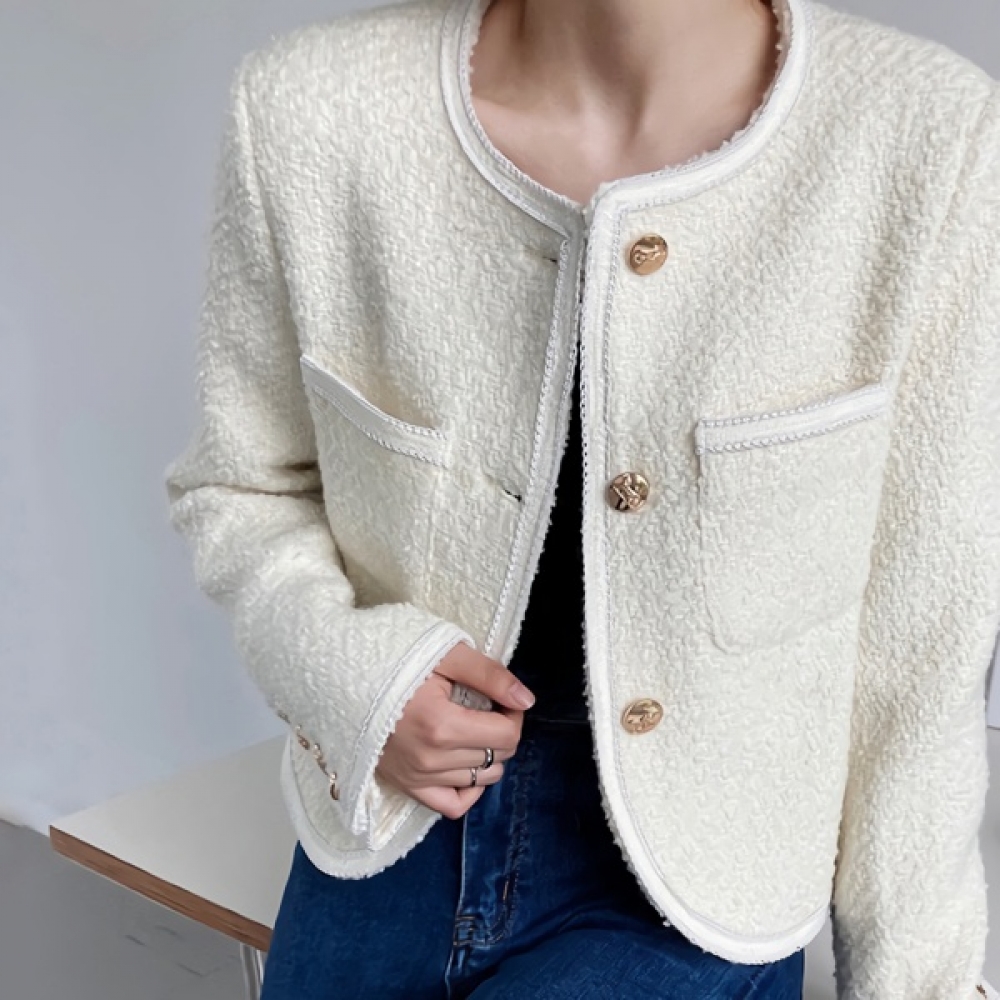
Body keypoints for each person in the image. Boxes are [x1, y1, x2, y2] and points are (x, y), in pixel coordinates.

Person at [163, 0, 1000, 996]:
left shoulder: (926, 136)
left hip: (705, 880)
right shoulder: (311, 109)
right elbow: (242, 484)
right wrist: (351, 679)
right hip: (388, 831)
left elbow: (923, 641)